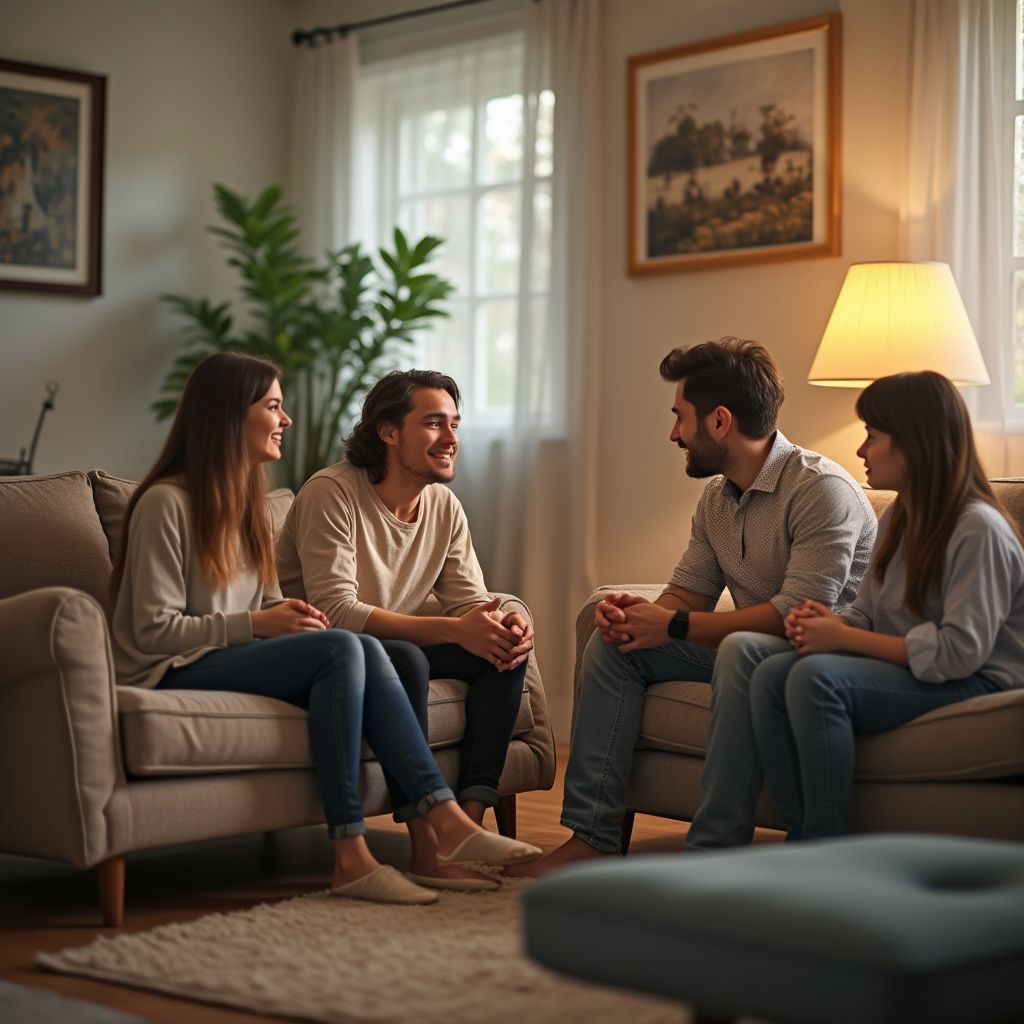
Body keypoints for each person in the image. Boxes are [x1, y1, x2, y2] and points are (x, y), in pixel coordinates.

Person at [108, 353, 541, 905]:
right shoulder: (165, 504)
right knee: (344, 646)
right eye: (273, 406)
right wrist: (264, 622)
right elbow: (150, 632)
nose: (285, 420)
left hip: (229, 654)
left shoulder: (248, 507)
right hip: (166, 669)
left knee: (400, 657)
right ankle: (376, 842)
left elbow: (268, 602)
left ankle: (432, 834)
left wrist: (289, 621)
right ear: (227, 416)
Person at [509, 336, 877, 877]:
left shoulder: (821, 490)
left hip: (819, 658)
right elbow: (690, 592)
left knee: (744, 651)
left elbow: (798, 614)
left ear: (721, 421)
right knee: (615, 646)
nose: (673, 434)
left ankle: (713, 851)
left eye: (680, 418)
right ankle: (593, 836)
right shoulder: (717, 497)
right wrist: (639, 613)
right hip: (750, 648)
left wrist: (675, 622)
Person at [276, 369, 534, 890]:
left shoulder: (443, 505)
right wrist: (457, 631)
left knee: (502, 650)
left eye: (455, 424)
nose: (451, 439)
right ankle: (426, 849)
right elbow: (337, 611)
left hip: (392, 643)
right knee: (408, 657)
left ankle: (469, 828)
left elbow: (470, 602)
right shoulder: (332, 493)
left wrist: (503, 621)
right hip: (328, 654)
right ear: (389, 432)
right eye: (434, 423)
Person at [749, 371, 1024, 839]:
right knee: (771, 674)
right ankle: (798, 840)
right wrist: (822, 625)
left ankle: (825, 847)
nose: (860, 451)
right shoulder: (897, 517)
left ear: (914, 444)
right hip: (921, 670)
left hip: (980, 681)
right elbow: (866, 615)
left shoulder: (979, 528)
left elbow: (960, 653)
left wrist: (844, 639)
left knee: (817, 681)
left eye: (872, 436)